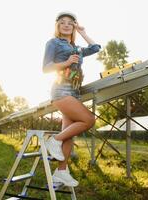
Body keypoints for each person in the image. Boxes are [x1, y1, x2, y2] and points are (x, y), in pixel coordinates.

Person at [42, 11, 101, 187]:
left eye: (70, 23)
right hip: (61, 89)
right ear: (57, 26)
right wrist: (67, 63)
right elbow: (46, 68)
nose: (66, 25)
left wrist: (82, 32)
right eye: (62, 22)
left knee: (70, 135)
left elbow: (96, 48)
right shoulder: (53, 42)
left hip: (74, 91)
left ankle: (61, 172)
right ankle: (54, 141)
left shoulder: (77, 48)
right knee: (89, 119)